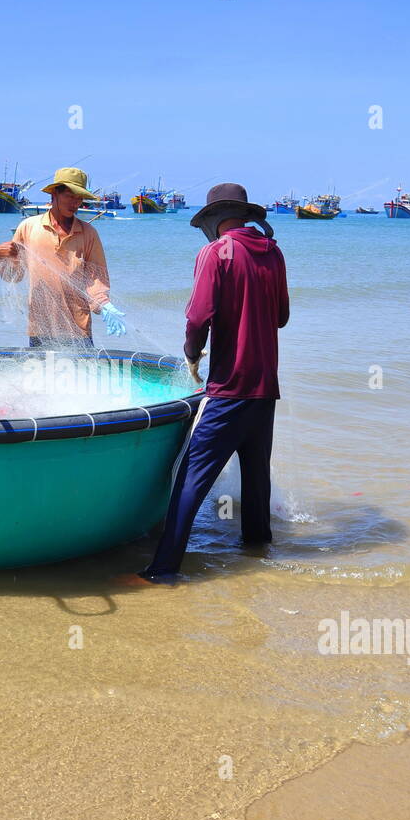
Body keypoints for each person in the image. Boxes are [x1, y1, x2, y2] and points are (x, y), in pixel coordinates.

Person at [139, 183, 289, 583]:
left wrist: (192, 354)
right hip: (265, 386)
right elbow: (280, 318)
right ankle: (258, 555)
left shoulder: (215, 252)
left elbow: (197, 317)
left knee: (190, 478)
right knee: (257, 479)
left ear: (211, 220)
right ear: (246, 216)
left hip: (229, 388)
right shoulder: (273, 253)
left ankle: (163, 568)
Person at [0, 166, 126, 347]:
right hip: (40, 328)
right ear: (54, 193)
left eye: (79, 198)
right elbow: (14, 277)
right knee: (41, 376)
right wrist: (2, 256)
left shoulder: (88, 234)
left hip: (79, 330)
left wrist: (104, 305)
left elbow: (96, 279)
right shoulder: (28, 227)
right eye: (70, 196)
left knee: (81, 375)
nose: (75, 203)